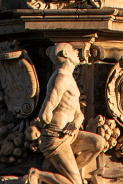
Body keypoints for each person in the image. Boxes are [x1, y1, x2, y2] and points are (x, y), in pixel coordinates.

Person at [25, 43, 106, 184]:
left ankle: (68, 173)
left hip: (70, 133)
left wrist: (75, 123)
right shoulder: (60, 78)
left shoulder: (69, 78)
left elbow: (78, 113)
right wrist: (45, 123)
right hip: (56, 136)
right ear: (65, 54)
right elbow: (45, 112)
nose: (76, 52)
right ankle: (38, 174)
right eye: (73, 50)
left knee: (98, 143)